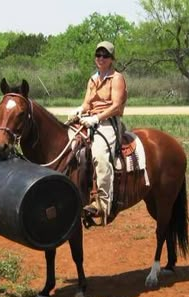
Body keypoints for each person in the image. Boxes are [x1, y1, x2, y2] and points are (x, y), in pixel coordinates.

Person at [69, 41, 127, 222]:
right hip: (89, 120)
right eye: (98, 55)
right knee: (68, 145)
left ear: (111, 59)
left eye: (105, 56)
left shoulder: (116, 78)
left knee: (100, 155)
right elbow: (87, 103)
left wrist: (96, 118)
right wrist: (80, 110)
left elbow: (117, 107)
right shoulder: (93, 79)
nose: (101, 58)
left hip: (108, 122)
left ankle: (102, 203)